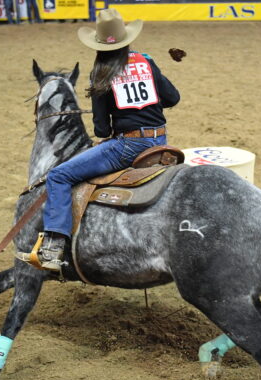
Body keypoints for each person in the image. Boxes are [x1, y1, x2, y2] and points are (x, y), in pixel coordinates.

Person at [34, 8, 180, 271]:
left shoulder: (101, 71)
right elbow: (173, 98)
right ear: (126, 38)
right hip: (160, 141)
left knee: (58, 176)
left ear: (99, 44)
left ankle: (54, 245)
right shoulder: (146, 62)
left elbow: (101, 130)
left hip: (128, 146)